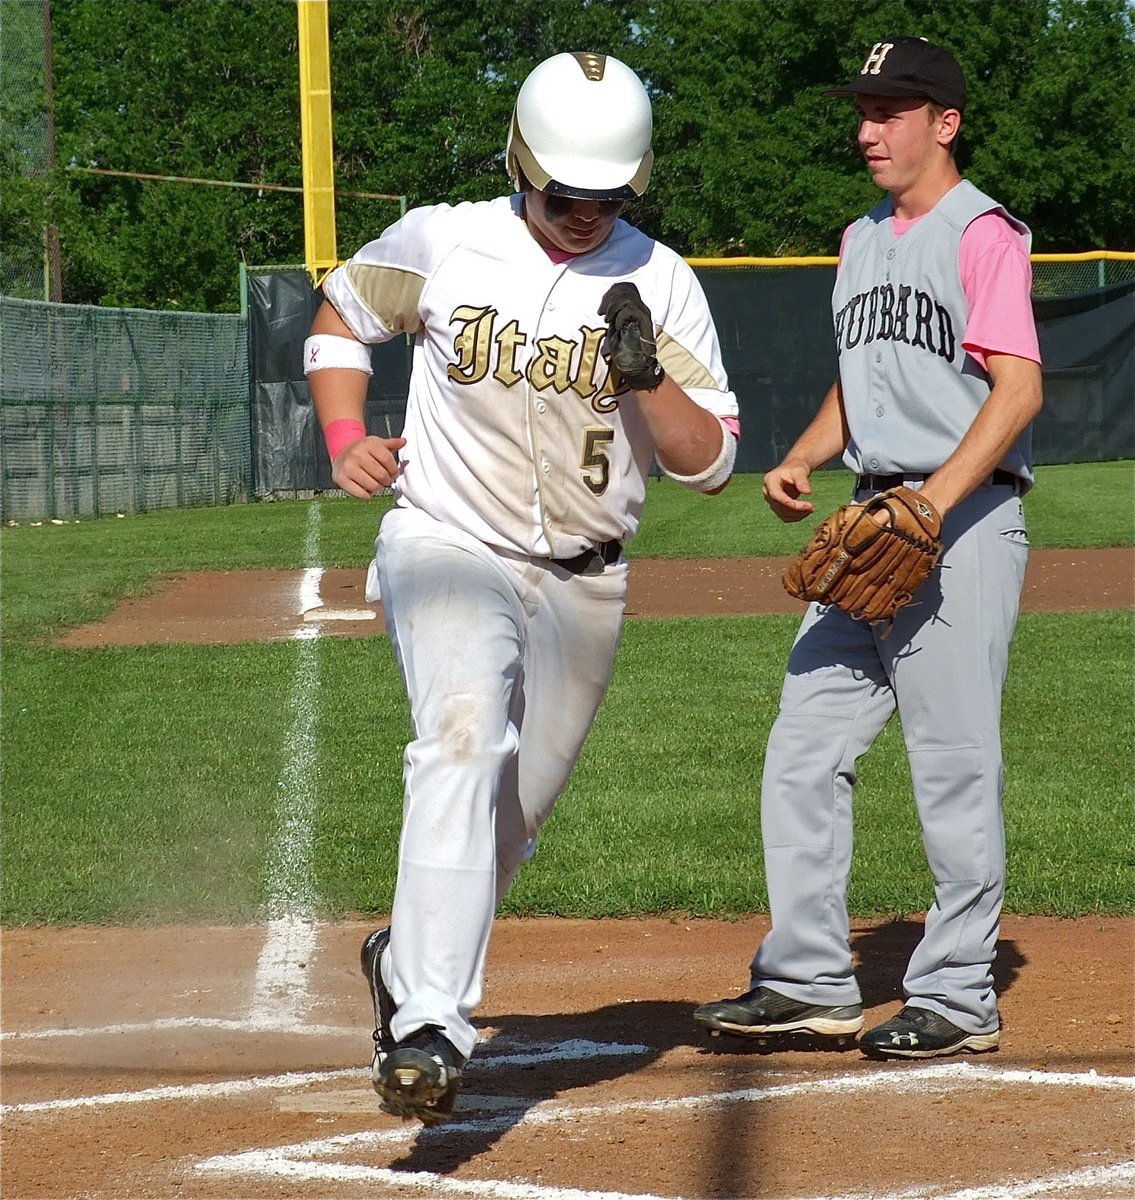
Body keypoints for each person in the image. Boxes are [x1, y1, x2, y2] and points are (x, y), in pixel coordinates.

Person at [305, 51, 739, 1123]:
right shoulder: (447, 238)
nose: (586, 213)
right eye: (564, 193)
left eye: (608, 195)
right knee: (461, 736)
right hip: (449, 541)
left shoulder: (661, 280)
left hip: (585, 584)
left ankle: (405, 956)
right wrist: (348, 434)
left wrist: (649, 384)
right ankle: (430, 1025)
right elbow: (338, 315)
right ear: (519, 161)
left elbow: (709, 460)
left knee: (510, 820)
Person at [694, 36, 1042, 1059]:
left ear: (944, 122)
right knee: (802, 750)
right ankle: (806, 978)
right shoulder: (858, 240)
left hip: (960, 521)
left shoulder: (983, 235)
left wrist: (931, 503)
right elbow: (864, 374)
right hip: (869, 530)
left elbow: (1016, 388)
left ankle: (958, 994)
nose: (866, 127)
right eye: (863, 108)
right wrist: (803, 454)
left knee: (950, 763)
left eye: (891, 109)